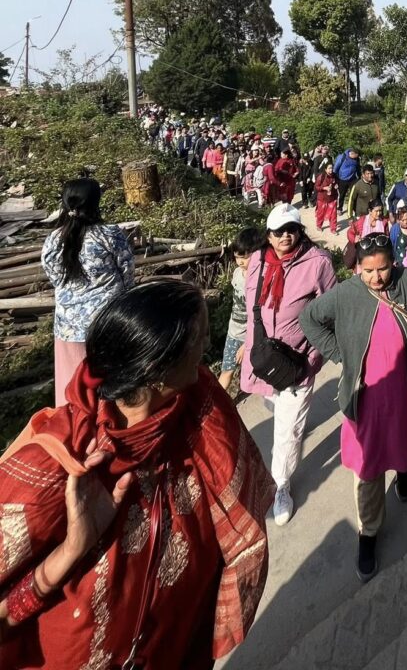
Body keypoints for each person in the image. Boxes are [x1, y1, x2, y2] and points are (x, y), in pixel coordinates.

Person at [0, 280, 274, 670]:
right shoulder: (58, 464)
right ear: (154, 370)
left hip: (173, 648)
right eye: (198, 337)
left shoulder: (200, 411)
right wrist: (72, 549)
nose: (208, 342)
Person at [300, 233, 407, 581]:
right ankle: (369, 533)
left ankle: (403, 470)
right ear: (357, 267)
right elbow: (309, 318)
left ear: (394, 263)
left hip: (405, 390)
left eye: (383, 268)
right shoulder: (346, 294)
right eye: (368, 270)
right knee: (369, 469)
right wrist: (339, 354)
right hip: (367, 399)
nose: (377, 277)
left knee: (403, 440)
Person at [241, 203, 338, 525]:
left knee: (287, 431)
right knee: (276, 409)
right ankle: (289, 426)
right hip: (262, 358)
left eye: (292, 229)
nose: (286, 236)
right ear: (268, 235)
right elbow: (249, 306)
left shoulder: (318, 263)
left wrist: (314, 356)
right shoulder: (257, 260)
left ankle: (281, 485)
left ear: (300, 231)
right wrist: (245, 342)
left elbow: (331, 312)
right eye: (279, 231)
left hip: (297, 362)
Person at [41, 179, 135, 406]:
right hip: (108, 324)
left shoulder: (53, 240)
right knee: (110, 390)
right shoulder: (110, 235)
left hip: (68, 328)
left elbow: (54, 278)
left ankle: (75, 424)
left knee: (73, 389)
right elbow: (127, 274)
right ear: (96, 203)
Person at [219, 226, 266, 393]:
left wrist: (247, 343)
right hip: (234, 331)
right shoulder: (237, 273)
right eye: (237, 257)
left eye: (245, 258)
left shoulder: (261, 279)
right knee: (227, 371)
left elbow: (263, 315)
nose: (240, 262)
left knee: (255, 374)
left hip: (252, 336)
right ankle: (214, 402)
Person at [334, 147, 362, 214]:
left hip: (352, 179)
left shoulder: (356, 159)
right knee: (342, 194)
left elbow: (358, 168)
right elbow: (335, 169)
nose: (357, 157)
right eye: (356, 156)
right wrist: (336, 179)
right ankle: (340, 208)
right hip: (342, 179)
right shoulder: (342, 157)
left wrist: (360, 177)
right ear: (352, 153)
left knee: (354, 194)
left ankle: (354, 208)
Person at [315, 160, 340, 232]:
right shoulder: (321, 176)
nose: (331, 170)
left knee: (333, 214)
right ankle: (319, 225)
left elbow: (337, 182)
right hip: (322, 199)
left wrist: (336, 185)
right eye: (329, 168)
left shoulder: (335, 176)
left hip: (332, 198)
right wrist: (324, 188)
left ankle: (333, 228)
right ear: (325, 169)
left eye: (332, 168)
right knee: (321, 214)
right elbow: (316, 187)